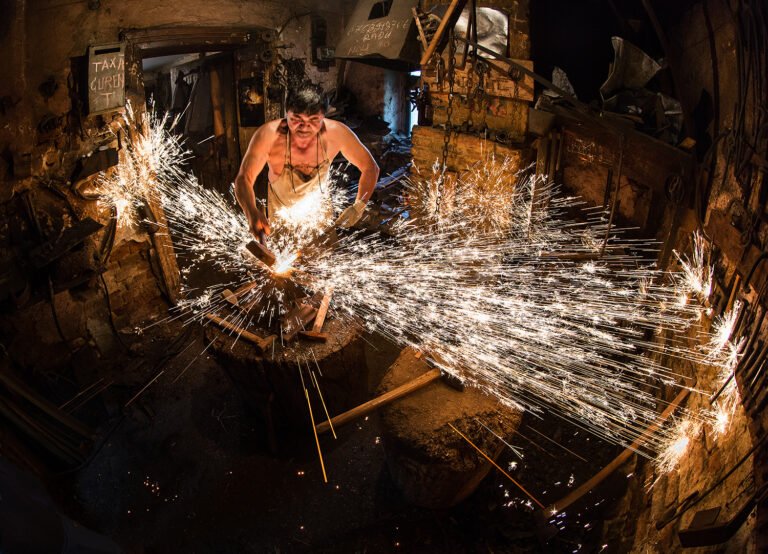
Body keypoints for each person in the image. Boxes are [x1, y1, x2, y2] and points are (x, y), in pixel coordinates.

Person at [234, 85, 379, 242]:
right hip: (282, 224)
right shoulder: (268, 135)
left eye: (314, 120)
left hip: (321, 224)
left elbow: (370, 167)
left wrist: (359, 206)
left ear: (324, 116)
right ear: (286, 114)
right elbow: (244, 179)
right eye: (296, 120)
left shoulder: (337, 133)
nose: (304, 127)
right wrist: (251, 212)